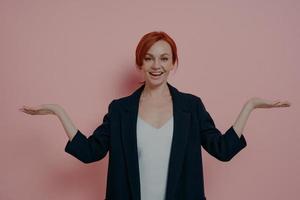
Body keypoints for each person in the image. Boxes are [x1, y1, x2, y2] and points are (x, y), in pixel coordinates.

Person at [19, 31, 291, 200]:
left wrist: (250, 106)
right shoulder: (120, 109)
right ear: (140, 63)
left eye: (164, 58)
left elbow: (222, 149)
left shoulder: (191, 107)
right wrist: (58, 112)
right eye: (149, 58)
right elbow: (91, 151)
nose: (156, 65)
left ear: (173, 62)